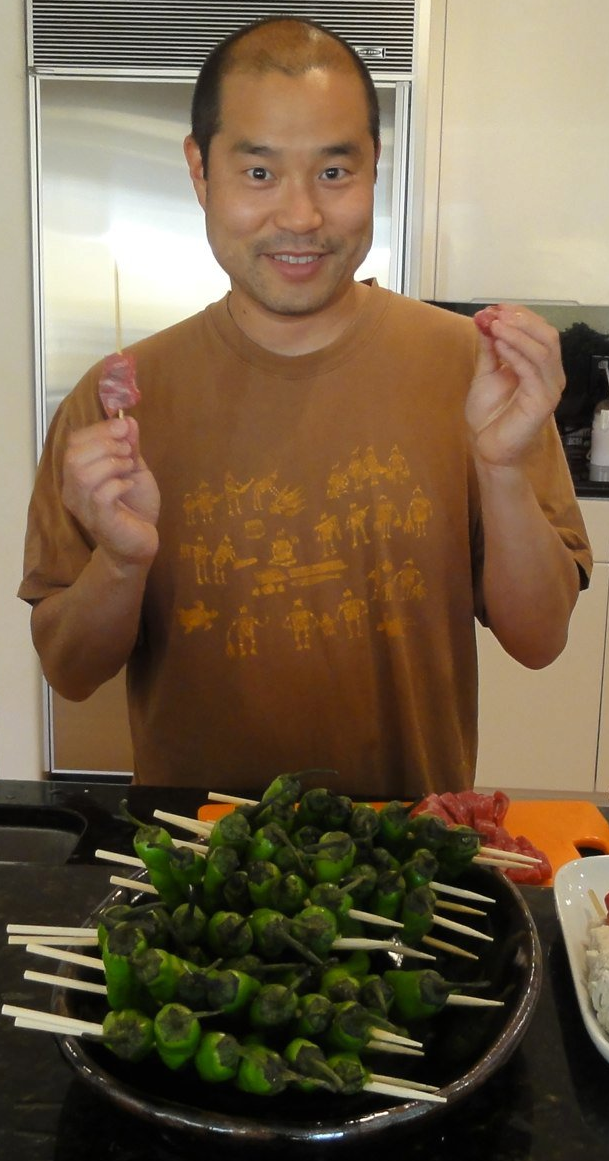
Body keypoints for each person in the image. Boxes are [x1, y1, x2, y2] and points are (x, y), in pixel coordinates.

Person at [18, 16, 592, 796]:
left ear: (374, 167)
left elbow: (540, 638)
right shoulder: (115, 404)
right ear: (200, 171)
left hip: (410, 852)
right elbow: (70, 669)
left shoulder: (476, 373)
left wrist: (499, 468)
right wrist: (121, 562)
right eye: (259, 172)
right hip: (201, 859)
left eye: (333, 171)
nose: (299, 216)